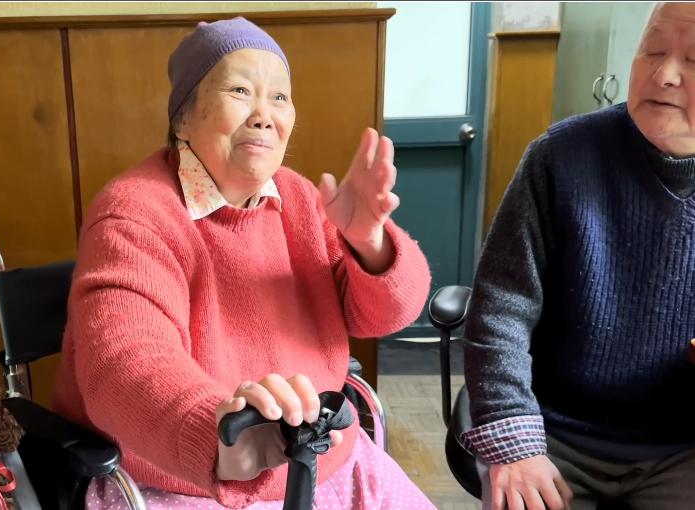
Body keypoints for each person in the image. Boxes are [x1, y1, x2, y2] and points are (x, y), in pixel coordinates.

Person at [52, 16, 434, 510]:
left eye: (279, 97)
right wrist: (220, 435)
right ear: (183, 118)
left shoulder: (298, 197)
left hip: (328, 459)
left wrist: (369, 245)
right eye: (239, 91)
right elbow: (124, 360)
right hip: (188, 480)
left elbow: (384, 315)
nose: (264, 116)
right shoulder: (135, 212)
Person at [461, 3, 695, 510]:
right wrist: (514, 439)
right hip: (555, 431)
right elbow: (500, 309)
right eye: (652, 50)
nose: (664, 74)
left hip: (683, 446)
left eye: (693, 60)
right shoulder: (560, 156)